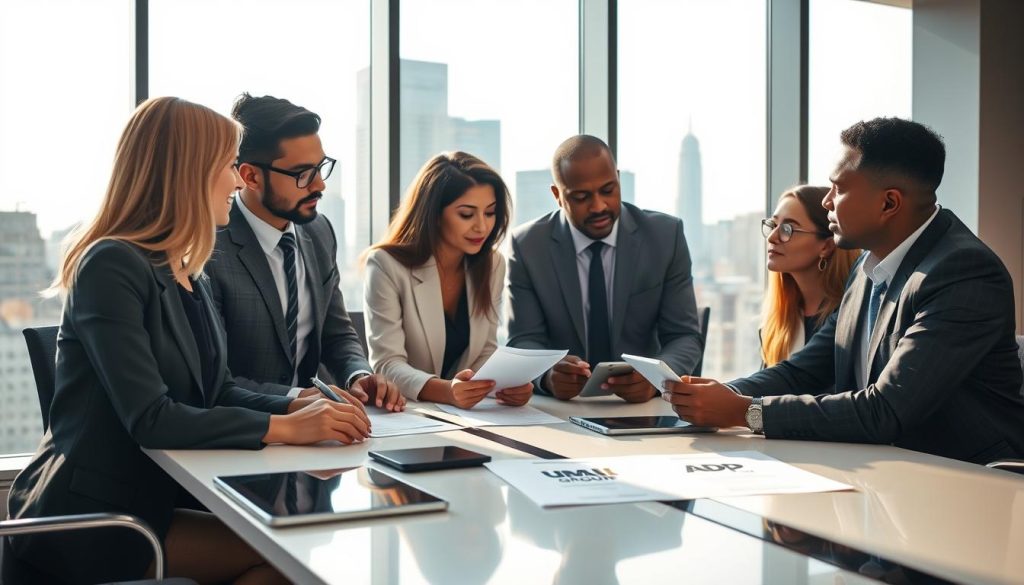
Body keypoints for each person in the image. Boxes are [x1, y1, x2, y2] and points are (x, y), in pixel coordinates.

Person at [6, 97, 371, 585]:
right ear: (188, 173)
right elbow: (151, 418)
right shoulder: (111, 264)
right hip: (92, 519)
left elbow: (217, 389)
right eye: (228, 166)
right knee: (287, 561)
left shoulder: (184, 267)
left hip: (152, 500)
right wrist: (285, 428)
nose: (237, 182)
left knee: (292, 552)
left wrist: (299, 405)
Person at [664, 117, 1024, 464]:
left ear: (888, 203)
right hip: (889, 472)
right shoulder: (868, 266)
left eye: (839, 189)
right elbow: (804, 371)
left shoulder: (963, 272)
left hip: (968, 480)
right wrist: (722, 394)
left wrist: (746, 412)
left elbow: (886, 410)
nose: (827, 201)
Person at [207, 93, 403, 412]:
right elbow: (213, 377)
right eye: (302, 174)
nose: (319, 185)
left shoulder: (318, 231)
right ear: (250, 177)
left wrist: (359, 375)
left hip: (319, 424)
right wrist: (297, 398)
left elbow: (336, 334)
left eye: (320, 168)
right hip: (246, 426)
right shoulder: (210, 247)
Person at [507, 135, 703, 402]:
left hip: (643, 407)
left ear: (618, 179)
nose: (598, 206)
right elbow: (523, 340)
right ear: (557, 195)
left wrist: (656, 379)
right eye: (581, 197)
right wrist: (547, 376)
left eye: (608, 190)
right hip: (563, 408)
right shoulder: (529, 246)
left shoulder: (665, 237)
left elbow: (684, 336)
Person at [363, 152, 532, 408]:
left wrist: (506, 384)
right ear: (434, 214)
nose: (482, 227)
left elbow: (485, 351)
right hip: (409, 412)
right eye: (466, 214)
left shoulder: (492, 263)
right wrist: (447, 392)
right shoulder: (386, 264)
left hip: (469, 415)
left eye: (490, 213)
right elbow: (387, 363)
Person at [760, 185, 859, 367]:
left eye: (788, 229)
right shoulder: (780, 319)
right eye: (773, 225)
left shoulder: (847, 317)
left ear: (826, 246)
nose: (772, 237)